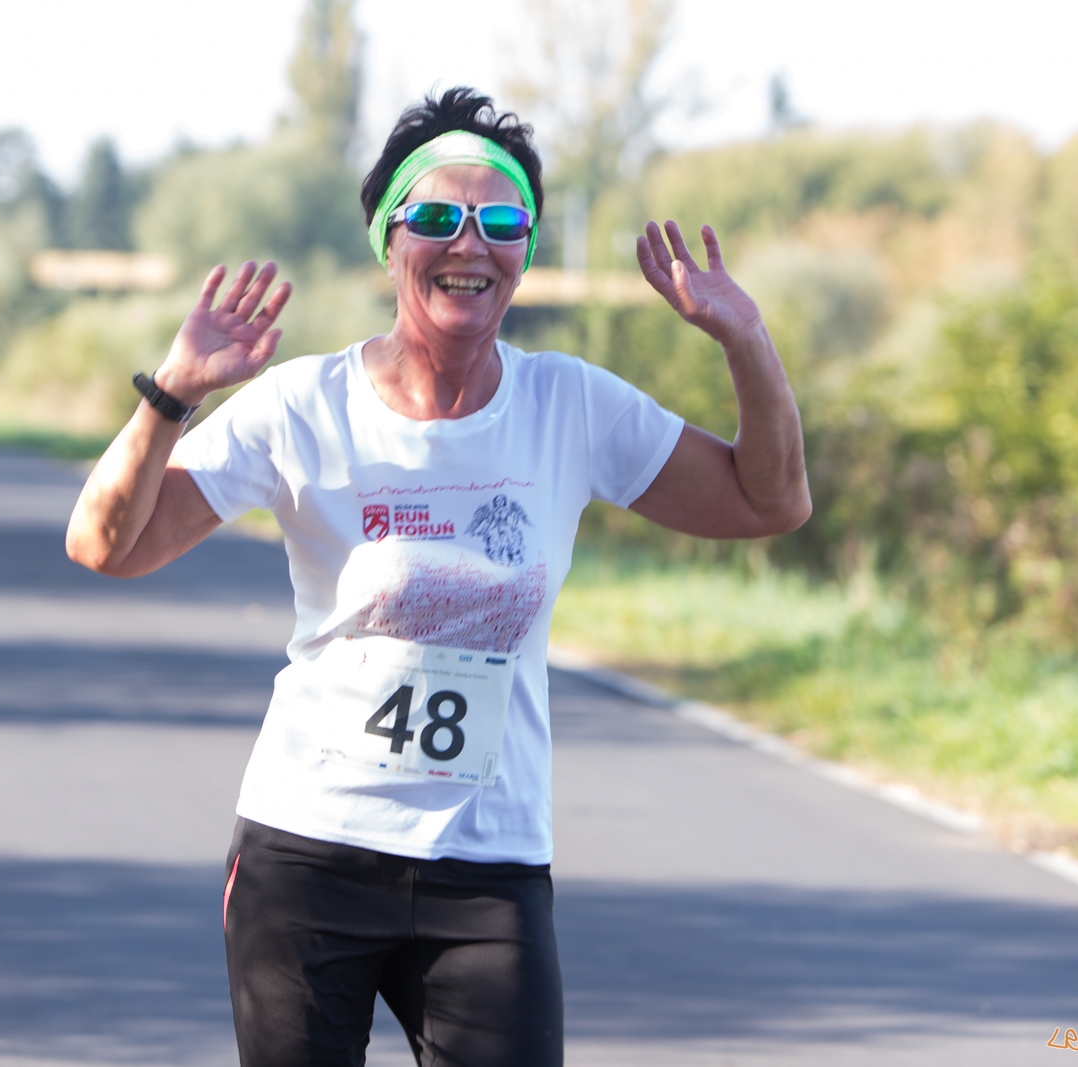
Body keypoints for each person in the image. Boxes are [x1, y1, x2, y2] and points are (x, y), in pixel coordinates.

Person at [66, 86, 809, 1066]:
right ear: (389, 241)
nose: (470, 243)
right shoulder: (303, 404)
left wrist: (745, 343)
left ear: (525, 250)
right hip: (309, 848)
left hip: (488, 865)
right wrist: (171, 395)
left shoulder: (568, 403)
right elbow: (107, 543)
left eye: (500, 220)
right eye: (434, 217)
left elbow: (769, 502)